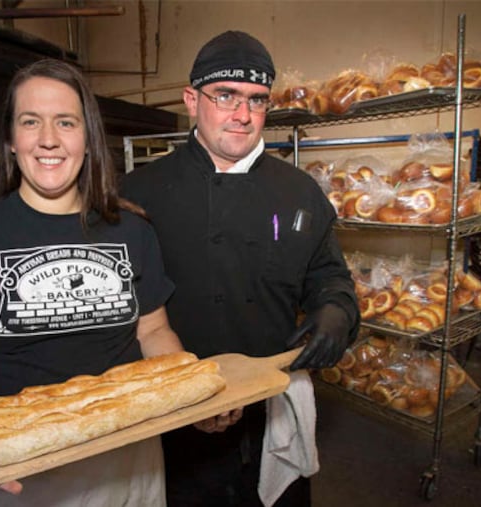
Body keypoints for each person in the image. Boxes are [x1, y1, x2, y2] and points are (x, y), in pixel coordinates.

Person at [0, 58, 183, 507]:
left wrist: (188, 393)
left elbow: (154, 332)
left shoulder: (133, 232)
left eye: (66, 122)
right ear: (11, 140)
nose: (49, 140)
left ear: (88, 138)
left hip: (128, 460)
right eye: (30, 122)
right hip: (20, 475)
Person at [120, 31, 360, 507]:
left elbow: (331, 278)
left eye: (257, 100)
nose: (243, 114)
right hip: (171, 419)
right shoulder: (137, 194)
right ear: (192, 100)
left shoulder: (299, 193)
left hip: (268, 407)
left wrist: (337, 312)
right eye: (225, 95)